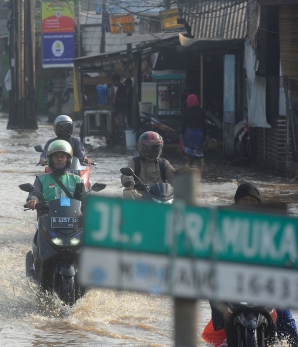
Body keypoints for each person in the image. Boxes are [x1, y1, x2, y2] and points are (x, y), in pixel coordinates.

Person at [201, 182, 298, 347]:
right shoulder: (225, 224)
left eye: (252, 201)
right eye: (244, 200)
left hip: (265, 285)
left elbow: (286, 250)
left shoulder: (270, 225)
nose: (248, 204)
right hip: (234, 285)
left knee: (289, 328)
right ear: (237, 203)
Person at [26, 140, 85, 244]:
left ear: (68, 159)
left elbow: (83, 199)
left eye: (63, 156)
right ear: (50, 159)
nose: (59, 159)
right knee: (38, 242)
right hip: (48, 221)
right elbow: (34, 194)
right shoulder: (41, 179)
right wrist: (32, 200)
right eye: (56, 157)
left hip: (72, 223)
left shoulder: (77, 180)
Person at [121, 131, 177, 199]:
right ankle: (133, 209)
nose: (152, 152)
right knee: (127, 192)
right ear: (141, 147)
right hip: (142, 197)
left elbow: (174, 176)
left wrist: (184, 178)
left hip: (162, 196)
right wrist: (129, 181)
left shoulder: (164, 163)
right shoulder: (134, 162)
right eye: (148, 148)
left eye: (155, 148)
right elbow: (127, 175)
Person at [181, 94, 208, 169]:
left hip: (189, 133)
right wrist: (205, 134)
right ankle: (203, 163)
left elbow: (184, 124)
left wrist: (182, 133)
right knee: (198, 148)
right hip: (199, 132)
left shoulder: (186, 111)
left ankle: (190, 165)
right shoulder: (202, 111)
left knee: (189, 149)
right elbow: (204, 123)